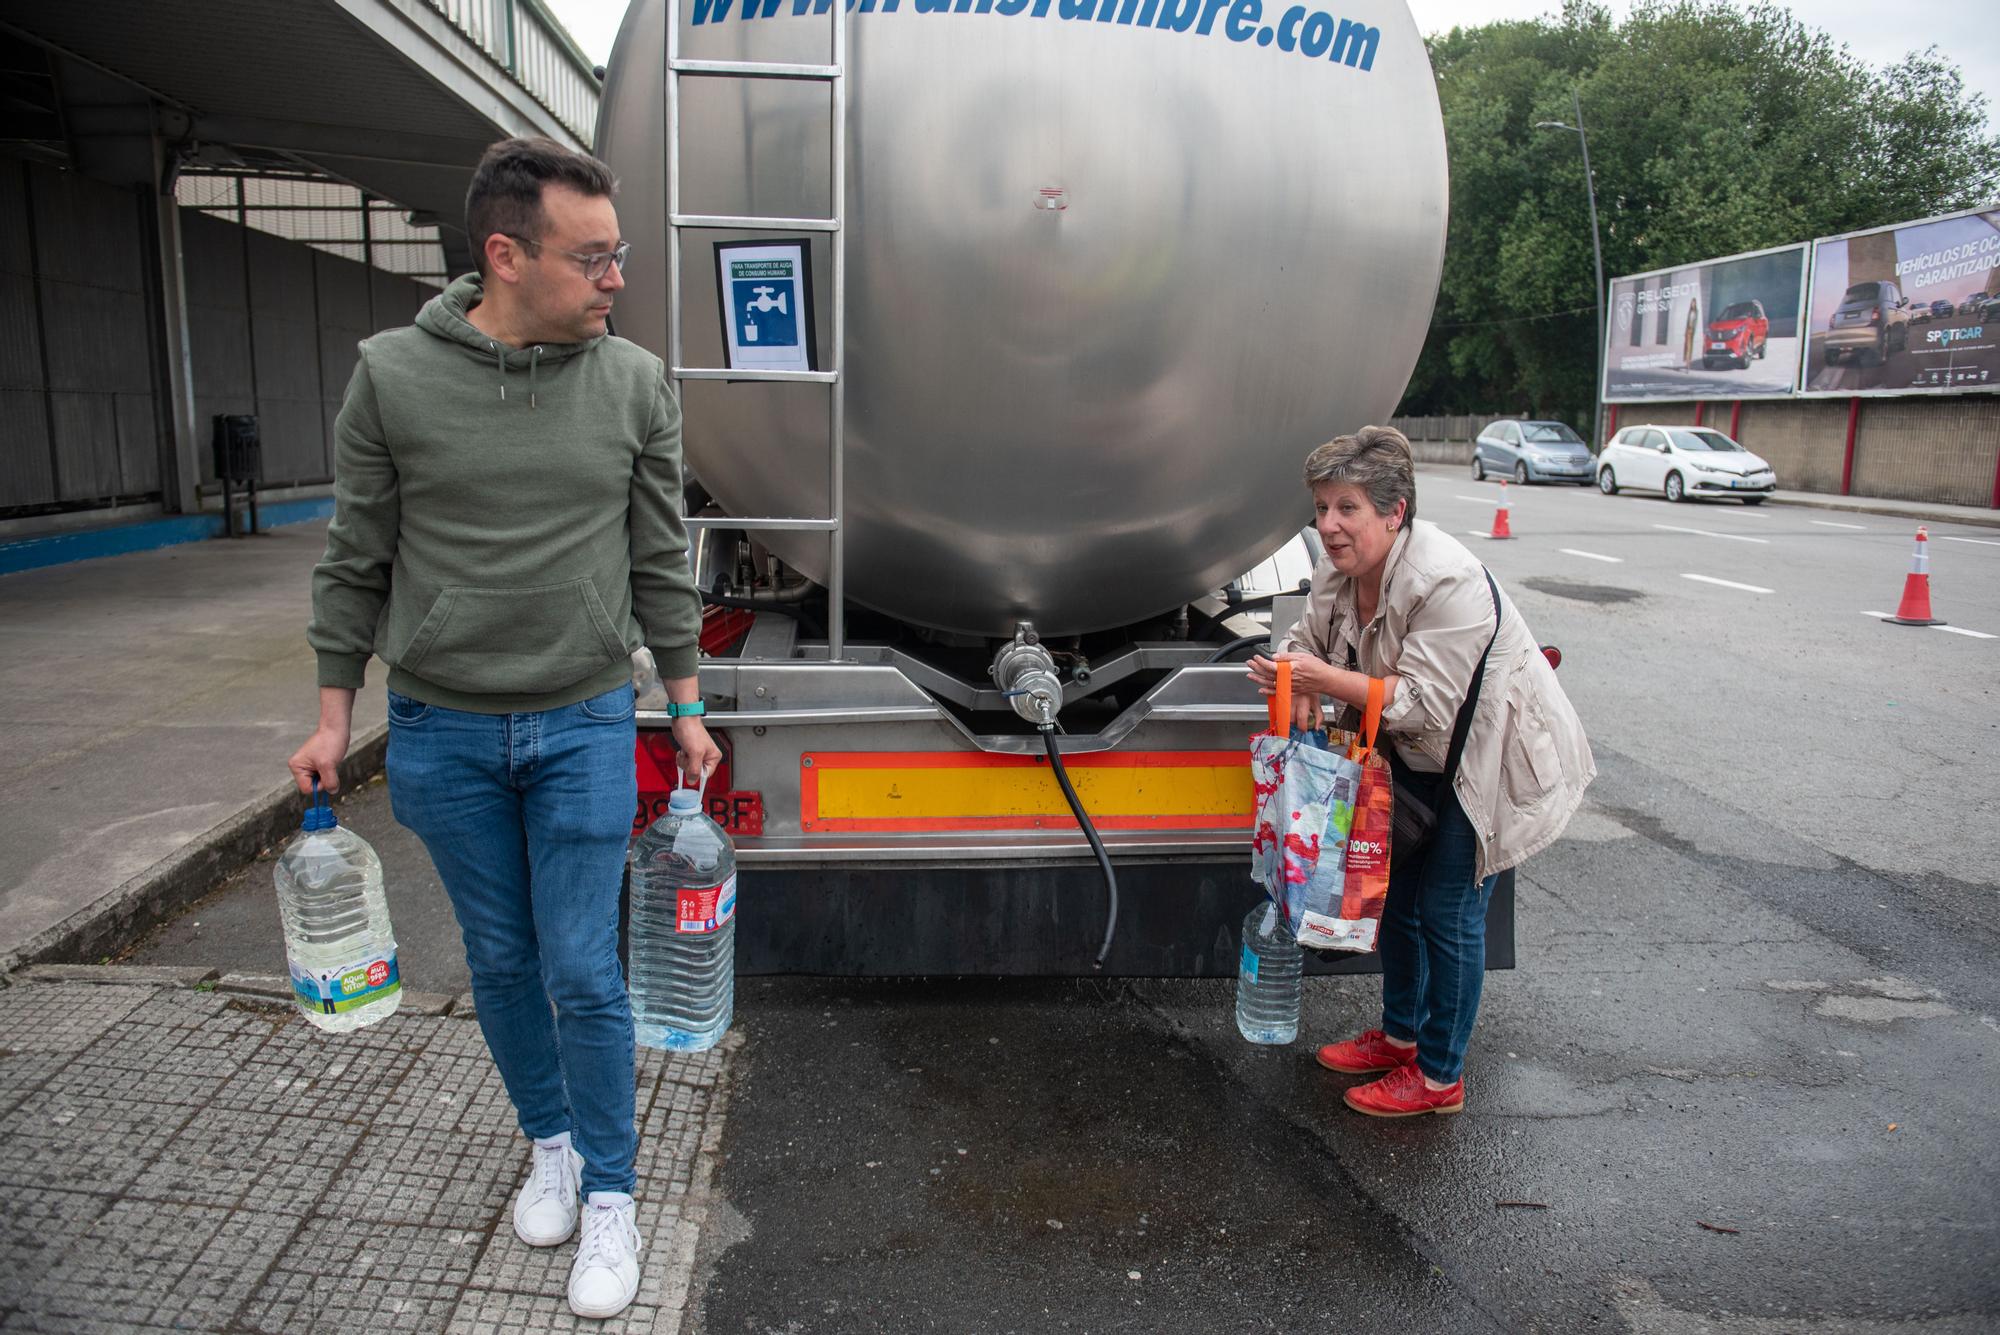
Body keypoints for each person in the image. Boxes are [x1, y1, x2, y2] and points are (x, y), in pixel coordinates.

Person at [287, 136, 720, 1320]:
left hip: (582, 715)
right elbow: (355, 559)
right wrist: (334, 716)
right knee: (500, 963)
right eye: (593, 258)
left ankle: (615, 1196)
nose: (615, 277)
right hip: (441, 728)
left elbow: (654, 561)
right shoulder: (391, 375)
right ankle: (551, 1145)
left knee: (583, 966)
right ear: (504, 255)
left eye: (618, 254)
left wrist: (682, 704)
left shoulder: (632, 382)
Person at [1248, 426, 1593, 1117]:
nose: (1330, 525)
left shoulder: (1446, 579)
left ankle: (1439, 1077)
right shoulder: (1339, 572)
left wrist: (1324, 677)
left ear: (1394, 510)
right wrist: (1298, 675)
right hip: (1411, 760)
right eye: (1321, 508)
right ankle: (1400, 1038)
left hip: (1486, 760)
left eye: (1347, 508)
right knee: (1396, 905)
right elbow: (1301, 641)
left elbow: (1425, 701)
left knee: (1447, 911)